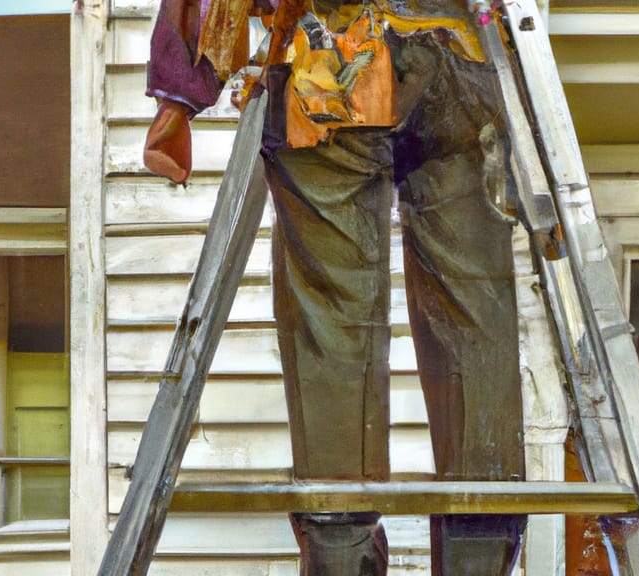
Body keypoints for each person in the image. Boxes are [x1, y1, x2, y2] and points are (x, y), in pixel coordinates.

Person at [143, 1, 527, 574]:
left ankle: (342, 558)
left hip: (330, 70)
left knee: (335, 335)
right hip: (459, 61)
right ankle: (479, 557)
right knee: (474, 323)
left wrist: (180, 95)